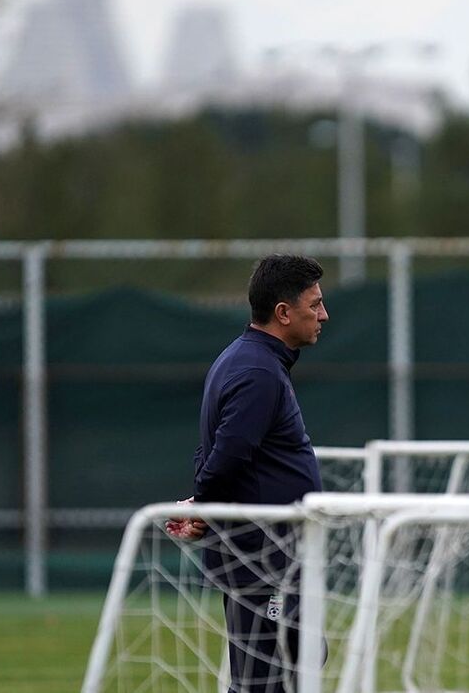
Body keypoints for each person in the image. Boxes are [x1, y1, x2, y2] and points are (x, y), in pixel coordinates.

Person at [166, 254, 329, 693]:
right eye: (314, 305)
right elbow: (227, 454)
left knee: (299, 655)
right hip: (262, 558)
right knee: (266, 677)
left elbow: (220, 453)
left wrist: (204, 505)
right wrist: (204, 504)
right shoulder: (257, 370)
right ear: (283, 312)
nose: (323, 315)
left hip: (267, 555)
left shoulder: (250, 360)